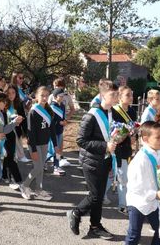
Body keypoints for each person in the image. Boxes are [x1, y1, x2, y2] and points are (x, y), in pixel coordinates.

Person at [67, 80, 118, 240]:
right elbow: (81, 141)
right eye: (113, 95)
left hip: (105, 160)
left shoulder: (112, 112)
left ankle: (95, 226)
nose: (116, 97)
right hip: (92, 161)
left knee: (99, 195)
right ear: (102, 95)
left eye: (117, 94)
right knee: (95, 196)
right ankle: (76, 212)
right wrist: (105, 146)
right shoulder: (91, 115)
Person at [125, 121, 160, 245]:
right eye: (158, 137)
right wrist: (155, 194)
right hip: (138, 202)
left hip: (154, 202)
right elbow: (135, 188)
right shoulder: (140, 160)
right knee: (134, 234)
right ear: (145, 139)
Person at [21, 86, 57, 201]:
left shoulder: (48, 110)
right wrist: (33, 150)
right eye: (42, 95)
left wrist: (55, 144)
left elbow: (51, 129)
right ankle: (25, 185)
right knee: (38, 167)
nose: (45, 98)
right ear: (36, 97)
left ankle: (38, 189)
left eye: (47, 95)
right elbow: (30, 132)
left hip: (45, 143)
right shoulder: (33, 111)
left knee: (41, 168)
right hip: (35, 144)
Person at [113, 85, 137, 215]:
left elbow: (134, 127)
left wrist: (134, 136)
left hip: (127, 148)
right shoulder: (114, 111)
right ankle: (122, 205)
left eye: (131, 95)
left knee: (115, 177)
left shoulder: (132, 111)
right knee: (122, 178)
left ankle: (101, 195)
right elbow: (115, 131)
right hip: (117, 148)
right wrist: (126, 135)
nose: (131, 97)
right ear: (120, 97)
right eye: (128, 95)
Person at [2, 84, 28, 191]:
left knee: (9, 155)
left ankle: (4, 175)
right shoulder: (2, 105)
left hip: (16, 133)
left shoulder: (19, 104)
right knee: (10, 156)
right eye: (9, 93)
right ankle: (13, 178)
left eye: (13, 93)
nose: (11, 95)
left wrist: (27, 134)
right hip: (6, 133)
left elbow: (24, 120)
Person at [48, 88, 68, 176]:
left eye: (63, 95)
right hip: (53, 131)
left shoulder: (63, 106)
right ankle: (43, 163)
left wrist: (64, 121)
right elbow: (50, 121)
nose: (62, 97)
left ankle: (56, 166)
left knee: (58, 150)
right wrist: (58, 122)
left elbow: (63, 117)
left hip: (60, 131)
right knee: (53, 150)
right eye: (60, 96)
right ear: (55, 97)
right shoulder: (51, 106)